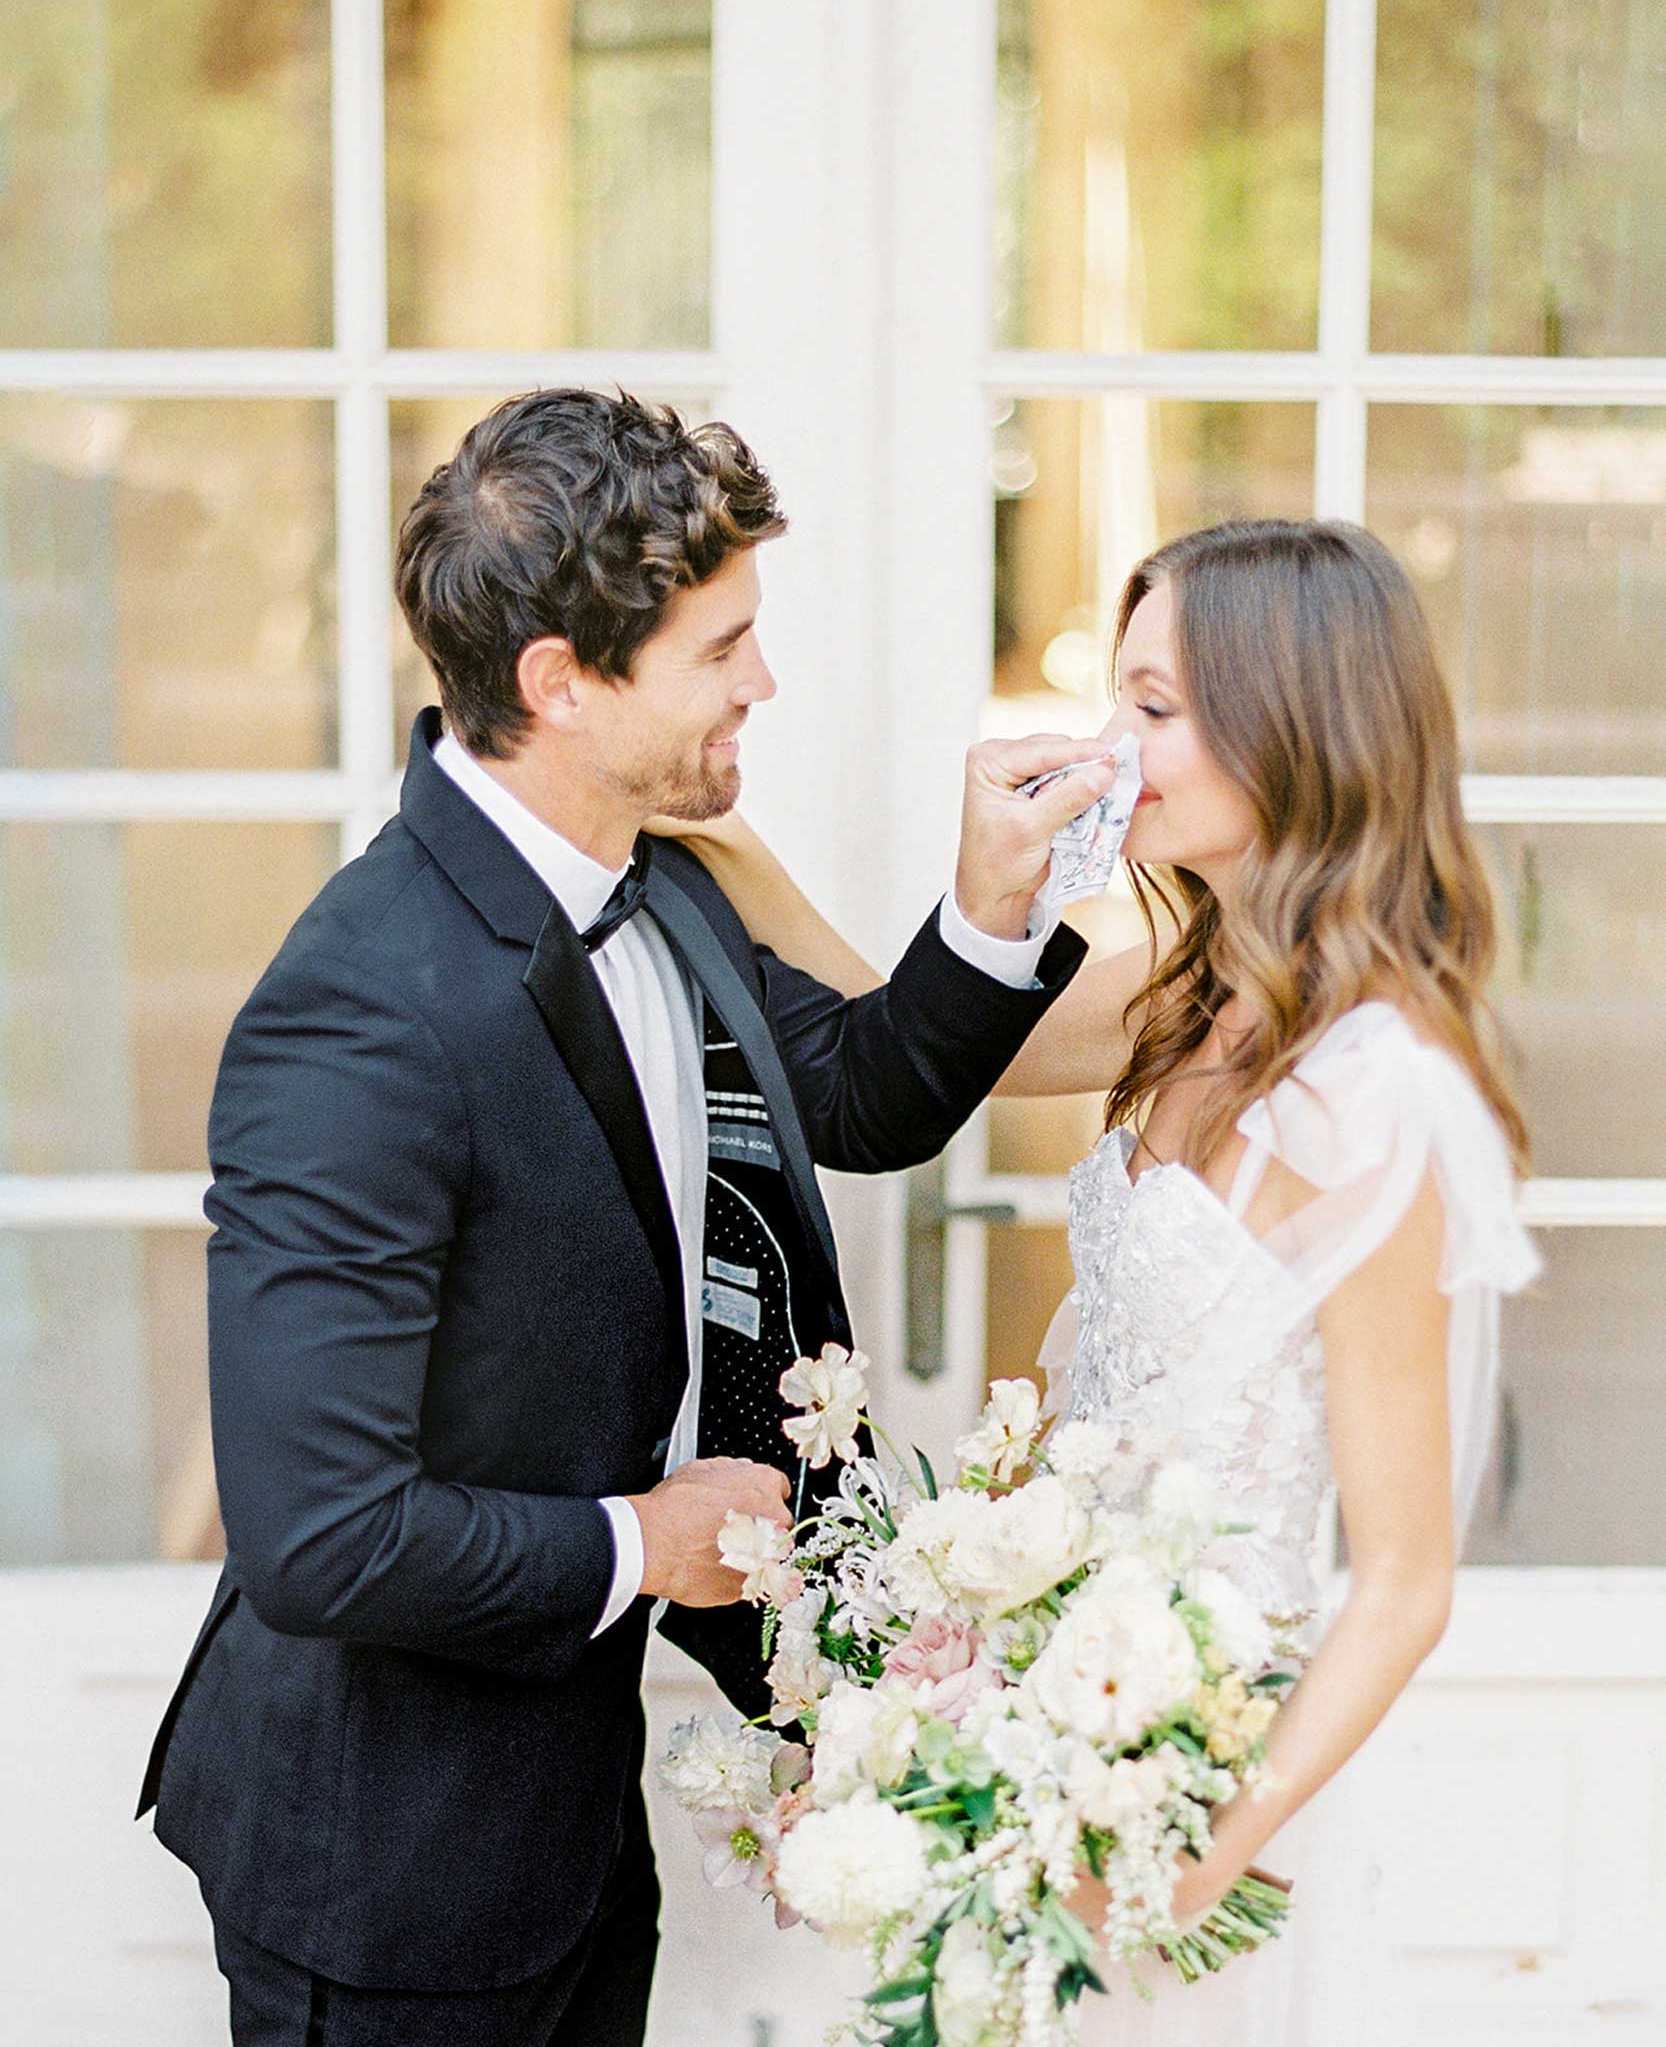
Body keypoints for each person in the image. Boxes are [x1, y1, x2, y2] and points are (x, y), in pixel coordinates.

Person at [137, 387, 1120, 2047]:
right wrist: (645, 1543)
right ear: (560, 684)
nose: (764, 681)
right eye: (719, 646)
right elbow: (317, 1538)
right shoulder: (359, 1015)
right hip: (385, 1864)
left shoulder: (655, 865)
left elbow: (859, 1096)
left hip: (570, 1827)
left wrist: (991, 898)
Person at [661, 516, 1541, 2044]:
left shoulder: (1383, 1097)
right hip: (1046, 1752)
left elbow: (1402, 1587)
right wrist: (717, 844)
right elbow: (886, 1040)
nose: (1100, 746)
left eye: (1148, 707)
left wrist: (1176, 1868)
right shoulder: (1171, 983)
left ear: (1293, 729)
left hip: (1201, 1812)